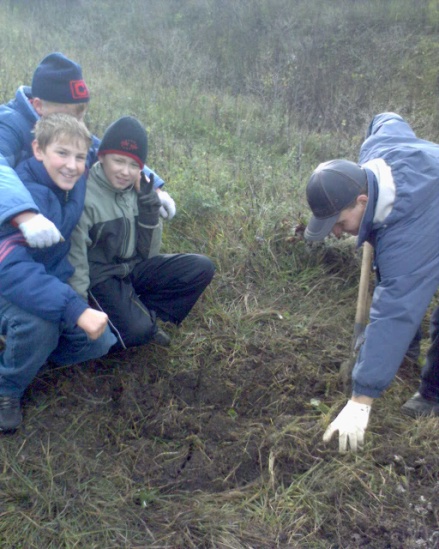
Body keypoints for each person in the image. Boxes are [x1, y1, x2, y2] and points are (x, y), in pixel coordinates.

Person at [304, 112, 439, 453]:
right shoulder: (375, 151)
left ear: (363, 201)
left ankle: (432, 395)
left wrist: (361, 399)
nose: (335, 232)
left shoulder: (407, 239)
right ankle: (404, 352)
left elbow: (395, 309)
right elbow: (386, 118)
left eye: (339, 222)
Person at [0, 113, 117, 432]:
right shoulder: (23, 196)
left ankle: (28, 356)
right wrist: (74, 308)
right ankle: (7, 388)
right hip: (7, 279)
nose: (72, 165)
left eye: (79, 157)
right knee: (42, 325)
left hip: (44, 279)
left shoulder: (72, 179)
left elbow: (109, 154)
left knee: (99, 342)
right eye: (62, 153)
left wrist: (152, 183)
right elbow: (11, 267)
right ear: (38, 150)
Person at [0, 51, 175, 251]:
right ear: (39, 106)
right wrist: (25, 216)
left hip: (54, 234)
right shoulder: (8, 124)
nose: (78, 125)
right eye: (70, 117)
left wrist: (152, 186)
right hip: (12, 240)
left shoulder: (61, 124)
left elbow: (100, 151)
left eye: (81, 117)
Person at [68, 116, 215, 350]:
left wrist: (149, 210)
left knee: (201, 267)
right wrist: (77, 309)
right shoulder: (84, 196)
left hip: (132, 269)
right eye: (118, 161)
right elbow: (76, 260)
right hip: (101, 278)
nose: (126, 172)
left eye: (134, 165)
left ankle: (140, 312)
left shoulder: (139, 190)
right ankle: (132, 325)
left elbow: (149, 255)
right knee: (139, 332)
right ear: (102, 156)